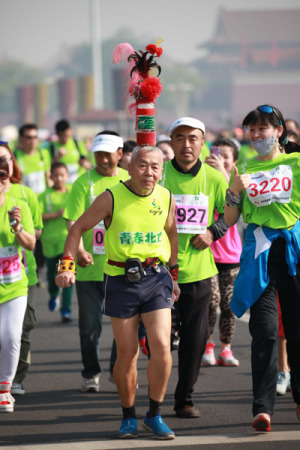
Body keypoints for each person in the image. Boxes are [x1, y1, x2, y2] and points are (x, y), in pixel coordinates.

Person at [56, 145, 179, 439]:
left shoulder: (166, 196)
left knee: (162, 345)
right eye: (142, 166)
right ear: (129, 166)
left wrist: (173, 274)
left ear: (162, 171)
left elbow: (171, 231)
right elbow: (77, 229)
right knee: (127, 352)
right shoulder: (111, 196)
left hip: (156, 277)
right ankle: (128, 416)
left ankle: (155, 413)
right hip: (120, 278)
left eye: (155, 167)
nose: (149, 173)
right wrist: (66, 266)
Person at [224, 104, 300, 432]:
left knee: (296, 332)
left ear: (278, 131)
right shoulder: (243, 167)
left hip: (293, 255)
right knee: (265, 332)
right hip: (260, 259)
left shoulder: (297, 163)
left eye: (262, 130)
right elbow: (229, 219)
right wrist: (234, 192)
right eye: (251, 131)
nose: (256, 136)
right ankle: (262, 408)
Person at [160, 117, 228, 418]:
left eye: (193, 138)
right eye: (180, 138)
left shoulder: (214, 178)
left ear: (203, 143)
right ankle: (153, 398)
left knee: (195, 340)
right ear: (171, 142)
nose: (187, 144)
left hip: (199, 273)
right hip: (159, 273)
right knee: (161, 341)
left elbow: (233, 211)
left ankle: (184, 398)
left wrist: (213, 231)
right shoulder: (158, 176)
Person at [63, 131, 129, 392]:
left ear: (120, 154)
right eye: (98, 154)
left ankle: (117, 368)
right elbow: (72, 221)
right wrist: (79, 250)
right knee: (90, 328)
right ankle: (91, 373)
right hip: (89, 269)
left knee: (125, 325)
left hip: (121, 267)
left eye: (108, 154)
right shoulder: (83, 182)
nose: (103, 159)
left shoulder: (129, 180)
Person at [2, 144, 43, 396]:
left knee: (17, 332)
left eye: (5, 161)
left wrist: (18, 228)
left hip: (19, 276)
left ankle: (12, 380)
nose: (1, 167)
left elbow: (34, 235)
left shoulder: (24, 196)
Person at [202, 138, 242, 367]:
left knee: (228, 304)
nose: (221, 160)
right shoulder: (204, 180)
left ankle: (226, 348)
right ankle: (207, 344)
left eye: (226, 156)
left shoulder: (237, 183)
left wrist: (225, 178)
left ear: (234, 161)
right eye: (217, 154)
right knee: (211, 300)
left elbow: (235, 209)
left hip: (231, 254)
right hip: (206, 253)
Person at [39, 162, 72, 322]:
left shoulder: (73, 192)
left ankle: (66, 310)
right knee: (53, 276)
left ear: (67, 176)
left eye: (62, 175)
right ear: (51, 177)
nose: (59, 178)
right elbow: (37, 217)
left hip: (68, 244)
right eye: (56, 175)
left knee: (67, 275)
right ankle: (53, 294)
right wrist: (56, 214)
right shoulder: (44, 196)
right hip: (49, 243)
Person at [49, 119, 91, 183]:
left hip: (78, 183)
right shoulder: (52, 147)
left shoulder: (77, 143)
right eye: (63, 136)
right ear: (58, 134)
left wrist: (84, 163)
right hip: (62, 185)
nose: (66, 139)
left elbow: (87, 163)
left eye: (67, 135)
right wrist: (58, 157)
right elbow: (48, 167)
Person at [14, 124, 52, 194]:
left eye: (35, 137)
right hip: (25, 201)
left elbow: (48, 178)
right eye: (29, 138)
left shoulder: (44, 153)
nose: (33, 140)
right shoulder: (14, 156)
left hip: (42, 201)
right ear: (21, 138)